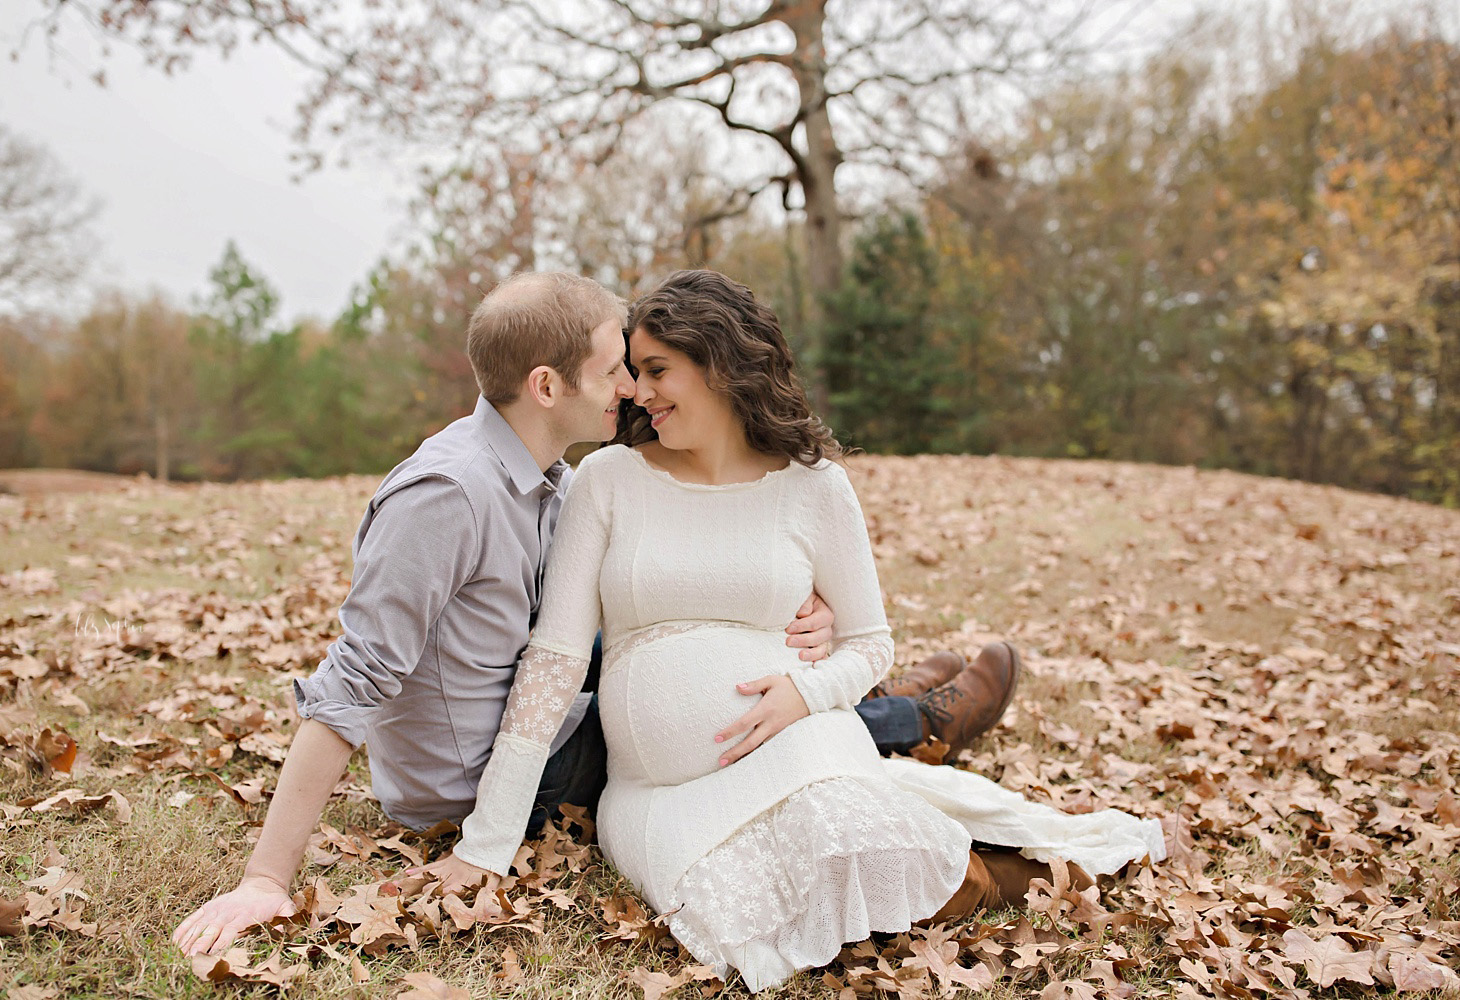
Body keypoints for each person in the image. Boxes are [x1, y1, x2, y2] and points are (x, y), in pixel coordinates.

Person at [170, 271, 1012, 958]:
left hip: (563, 714)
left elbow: (652, 581)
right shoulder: (447, 495)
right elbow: (360, 678)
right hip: (498, 769)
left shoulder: (556, 482)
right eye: (618, 368)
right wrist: (267, 879)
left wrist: (805, 603)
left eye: (641, 368)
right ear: (548, 385)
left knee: (720, 657)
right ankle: (912, 717)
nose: (632, 390)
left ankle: (892, 701)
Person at [428, 270, 1165, 992]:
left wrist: (805, 697)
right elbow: (554, 661)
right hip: (658, 791)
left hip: (802, 744)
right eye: (632, 370)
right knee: (734, 910)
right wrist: (486, 844)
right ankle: (935, 800)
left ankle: (1019, 870)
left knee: (846, 846)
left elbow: (871, 644)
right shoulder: (608, 480)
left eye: (657, 369)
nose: (636, 390)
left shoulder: (813, 488)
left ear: (720, 363)